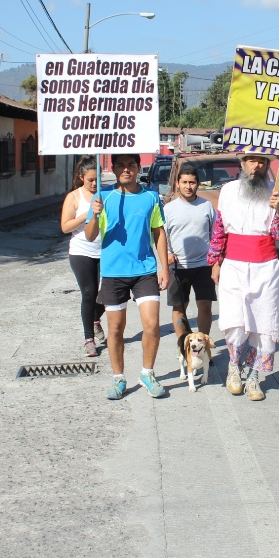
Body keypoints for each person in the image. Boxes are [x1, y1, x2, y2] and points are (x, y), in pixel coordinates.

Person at [84, 153, 170, 400]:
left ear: (137, 167)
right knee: (116, 328)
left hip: (145, 270)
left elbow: (158, 232)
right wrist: (95, 214)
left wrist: (164, 267)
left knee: (152, 325)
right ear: (113, 168)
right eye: (120, 165)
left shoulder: (150, 196)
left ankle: (147, 374)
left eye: (131, 165)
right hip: (113, 272)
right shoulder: (103, 197)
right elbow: (90, 236)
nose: (126, 169)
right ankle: (118, 378)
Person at [207, 153, 279, 401]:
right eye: (252, 161)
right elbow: (220, 228)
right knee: (234, 322)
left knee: (263, 324)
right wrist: (215, 262)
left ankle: (254, 377)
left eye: (262, 161)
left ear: (267, 165)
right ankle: (234, 368)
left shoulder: (276, 191)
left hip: (265, 267)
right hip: (233, 265)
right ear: (242, 163)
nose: (256, 166)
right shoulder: (228, 190)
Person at [163, 163, 217, 343]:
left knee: (204, 305)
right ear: (177, 184)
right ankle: (183, 346)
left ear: (198, 184)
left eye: (192, 182)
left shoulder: (207, 206)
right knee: (179, 307)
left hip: (203, 265)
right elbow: (162, 236)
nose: (188, 186)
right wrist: (168, 254)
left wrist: (216, 260)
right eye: (184, 182)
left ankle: (202, 345)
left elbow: (215, 234)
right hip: (178, 266)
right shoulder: (169, 209)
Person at [60, 156, 105, 357]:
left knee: (108, 293)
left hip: (105, 251)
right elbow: (65, 226)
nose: (95, 184)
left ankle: (95, 318)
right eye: (90, 180)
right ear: (81, 178)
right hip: (81, 251)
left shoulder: (107, 194)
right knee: (89, 292)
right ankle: (89, 339)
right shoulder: (74, 197)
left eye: (98, 179)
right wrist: (85, 216)